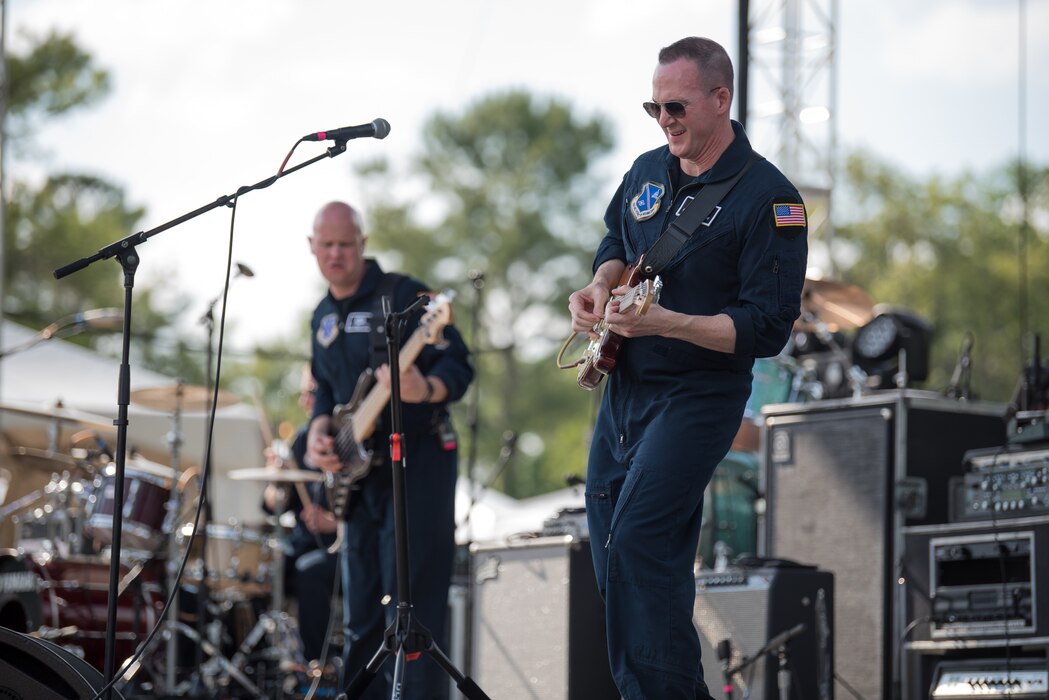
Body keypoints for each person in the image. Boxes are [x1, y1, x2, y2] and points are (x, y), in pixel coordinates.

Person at [567, 37, 808, 699]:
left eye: (674, 105)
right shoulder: (646, 169)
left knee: (639, 541)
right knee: (616, 555)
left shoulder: (770, 198)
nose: (663, 118)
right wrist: (598, 285)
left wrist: (665, 323)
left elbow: (766, 326)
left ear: (720, 99)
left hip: (698, 395)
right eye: (653, 106)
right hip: (624, 390)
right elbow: (617, 240)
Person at [304, 201, 473, 699]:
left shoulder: (401, 295)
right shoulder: (321, 316)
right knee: (360, 616)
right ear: (311, 247)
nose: (335, 254)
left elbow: (459, 366)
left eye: (345, 244)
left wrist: (428, 389)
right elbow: (325, 389)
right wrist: (318, 431)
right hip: (358, 481)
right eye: (326, 245)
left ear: (362, 243)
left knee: (414, 610)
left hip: (417, 462)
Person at [262, 365, 340, 665]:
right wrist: (276, 477)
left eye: (310, 393)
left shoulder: (349, 435)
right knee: (264, 568)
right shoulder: (303, 437)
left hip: (342, 549)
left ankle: (316, 665)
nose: (303, 401)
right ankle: (262, 661)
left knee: (310, 570)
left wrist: (331, 522)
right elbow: (274, 504)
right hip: (302, 543)